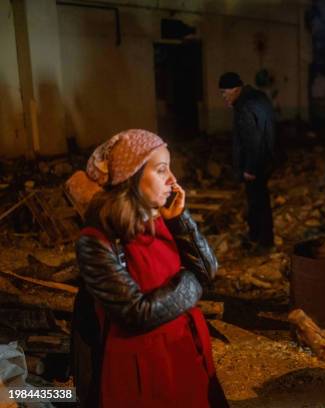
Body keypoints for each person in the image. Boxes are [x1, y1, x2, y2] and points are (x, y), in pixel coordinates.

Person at [69, 129, 228, 407]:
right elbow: (135, 313)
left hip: (183, 354)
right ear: (130, 178)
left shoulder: (160, 220)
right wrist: (194, 284)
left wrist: (181, 221)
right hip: (141, 370)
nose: (172, 180)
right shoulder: (96, 240)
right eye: (161, 170)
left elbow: (208, 268)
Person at [218, 72, 275, 251]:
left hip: (255, 164)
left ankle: (262, 241)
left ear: (235, 90)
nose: (223, 96)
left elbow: (253, 139)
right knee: (260, 201)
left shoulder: (244, 106)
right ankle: (258, 236)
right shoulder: (258, 97)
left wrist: (250, 168)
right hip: (266, 159)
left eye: (224, 92)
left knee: (257, 202)